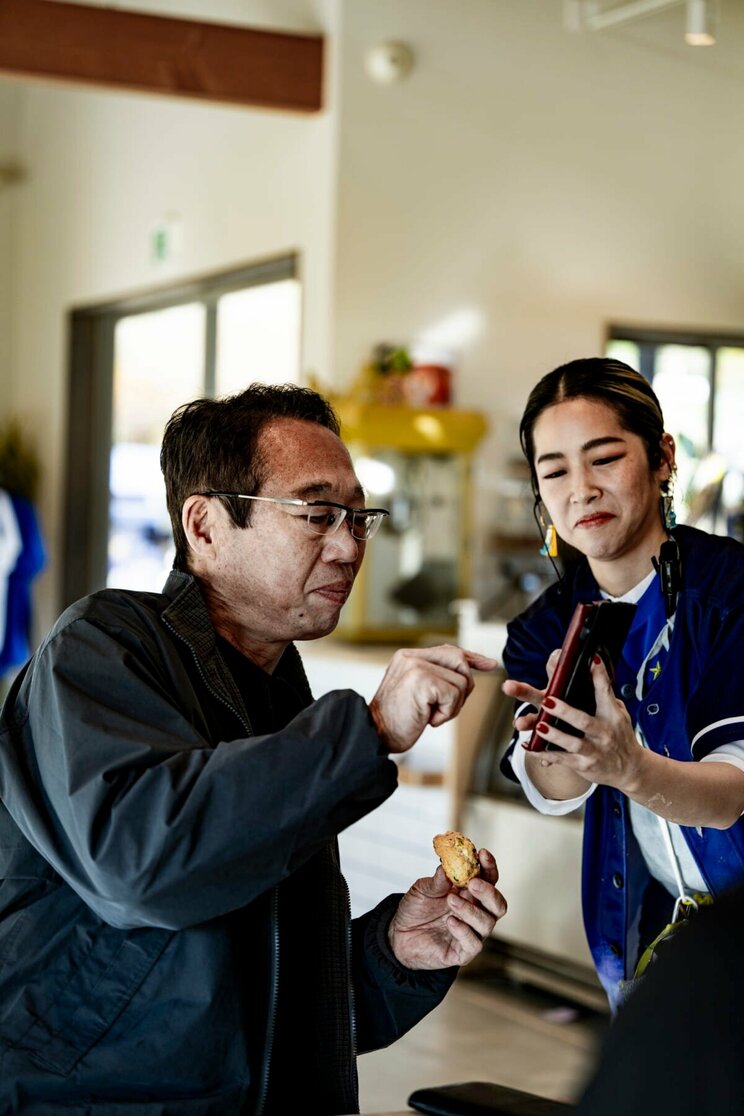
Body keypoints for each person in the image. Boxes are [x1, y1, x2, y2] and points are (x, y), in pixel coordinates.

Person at [0, 383, 507, 1115]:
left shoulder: (278, 700)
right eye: (315, 513)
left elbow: (267, 1012)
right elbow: (144, 865)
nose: (348, 545)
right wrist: (367, 731)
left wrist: (393, 953)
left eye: (357, 517)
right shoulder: (101, 647)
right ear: (204, 526)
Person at [500, 357, 744, 1012]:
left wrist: (629, 767)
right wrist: (564, 742)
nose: (580, 489)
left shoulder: (730, 594)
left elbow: (730, 796)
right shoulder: (542, 628)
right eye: (554, 471)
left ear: (662, 457)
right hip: (646, 940)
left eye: (604, 458)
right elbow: (551, 789)